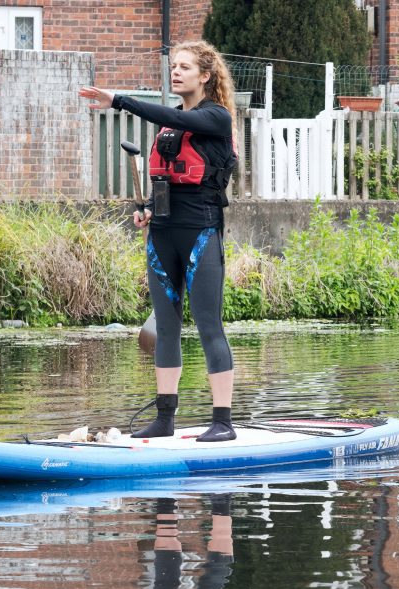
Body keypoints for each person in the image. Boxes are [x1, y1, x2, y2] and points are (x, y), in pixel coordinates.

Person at [79, 41, 238, 442]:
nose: (177, 72)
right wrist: (149, 207)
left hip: (200, 231)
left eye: (185, 68)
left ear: (205, 75)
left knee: (208, 326)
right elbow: (168, 178)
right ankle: (165, 417)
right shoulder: (171, 126)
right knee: (166, 328)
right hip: (163, 233)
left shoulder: (216, 117)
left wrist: (119, 99)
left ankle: (222, 422)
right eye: (174, 67)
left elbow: (164, 113)